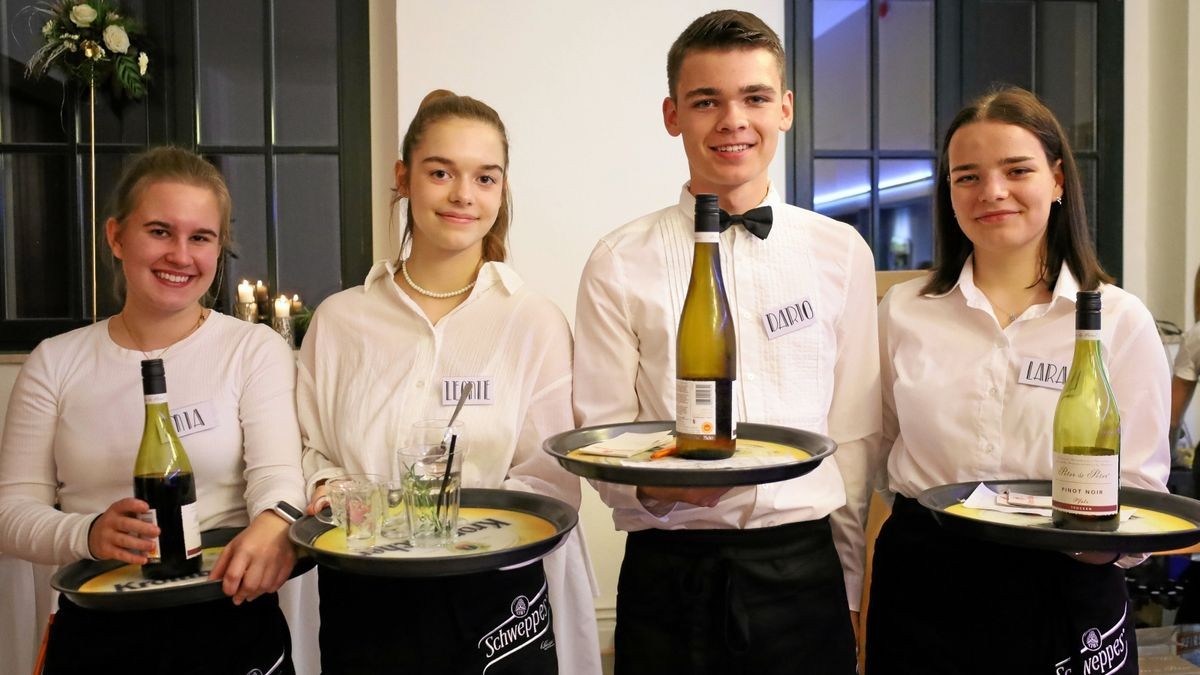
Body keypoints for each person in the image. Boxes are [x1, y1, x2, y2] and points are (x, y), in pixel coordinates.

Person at [572, 10, 880, 674]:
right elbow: (600, 429)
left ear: (786, 109)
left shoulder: (841, 254)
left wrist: (853, 586)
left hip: (804, 569)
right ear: (672, 114)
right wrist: (657, 494)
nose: (732, 119)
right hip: (669, 571)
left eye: (754, 98)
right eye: (706, 100)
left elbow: (854, 441)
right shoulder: (617, 259)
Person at [866, 87, 1170, 674]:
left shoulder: (1118, 319)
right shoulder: (902, 310)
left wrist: (1093, 547)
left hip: (1067, 580)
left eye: (1017, 170)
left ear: (1057, 180)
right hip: (927, 583)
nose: (992, 192)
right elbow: (875, 460)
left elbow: (1140, 484)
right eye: (967, 177)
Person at [298, 89, 600, 675]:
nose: (464, 194)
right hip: (363, 594)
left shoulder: (531, 320)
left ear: (502, 190)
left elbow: (549, 477)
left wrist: (455, 529)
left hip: (495, 600)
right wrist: (334, 488)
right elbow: (313, 451)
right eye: (441, 172)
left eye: (486, 178)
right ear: (404, 178)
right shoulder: (340, 319)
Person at [0, 146, 307, 674]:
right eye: (160, 231)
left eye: (201, 237)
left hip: (229, 620)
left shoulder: (252, 349)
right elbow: (10, 513)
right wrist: (88, 534)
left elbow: (278, 476)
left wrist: (274, 522)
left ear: (219, 248)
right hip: (98, 630)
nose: (180, 256)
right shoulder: (56, 361)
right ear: (116, 237)